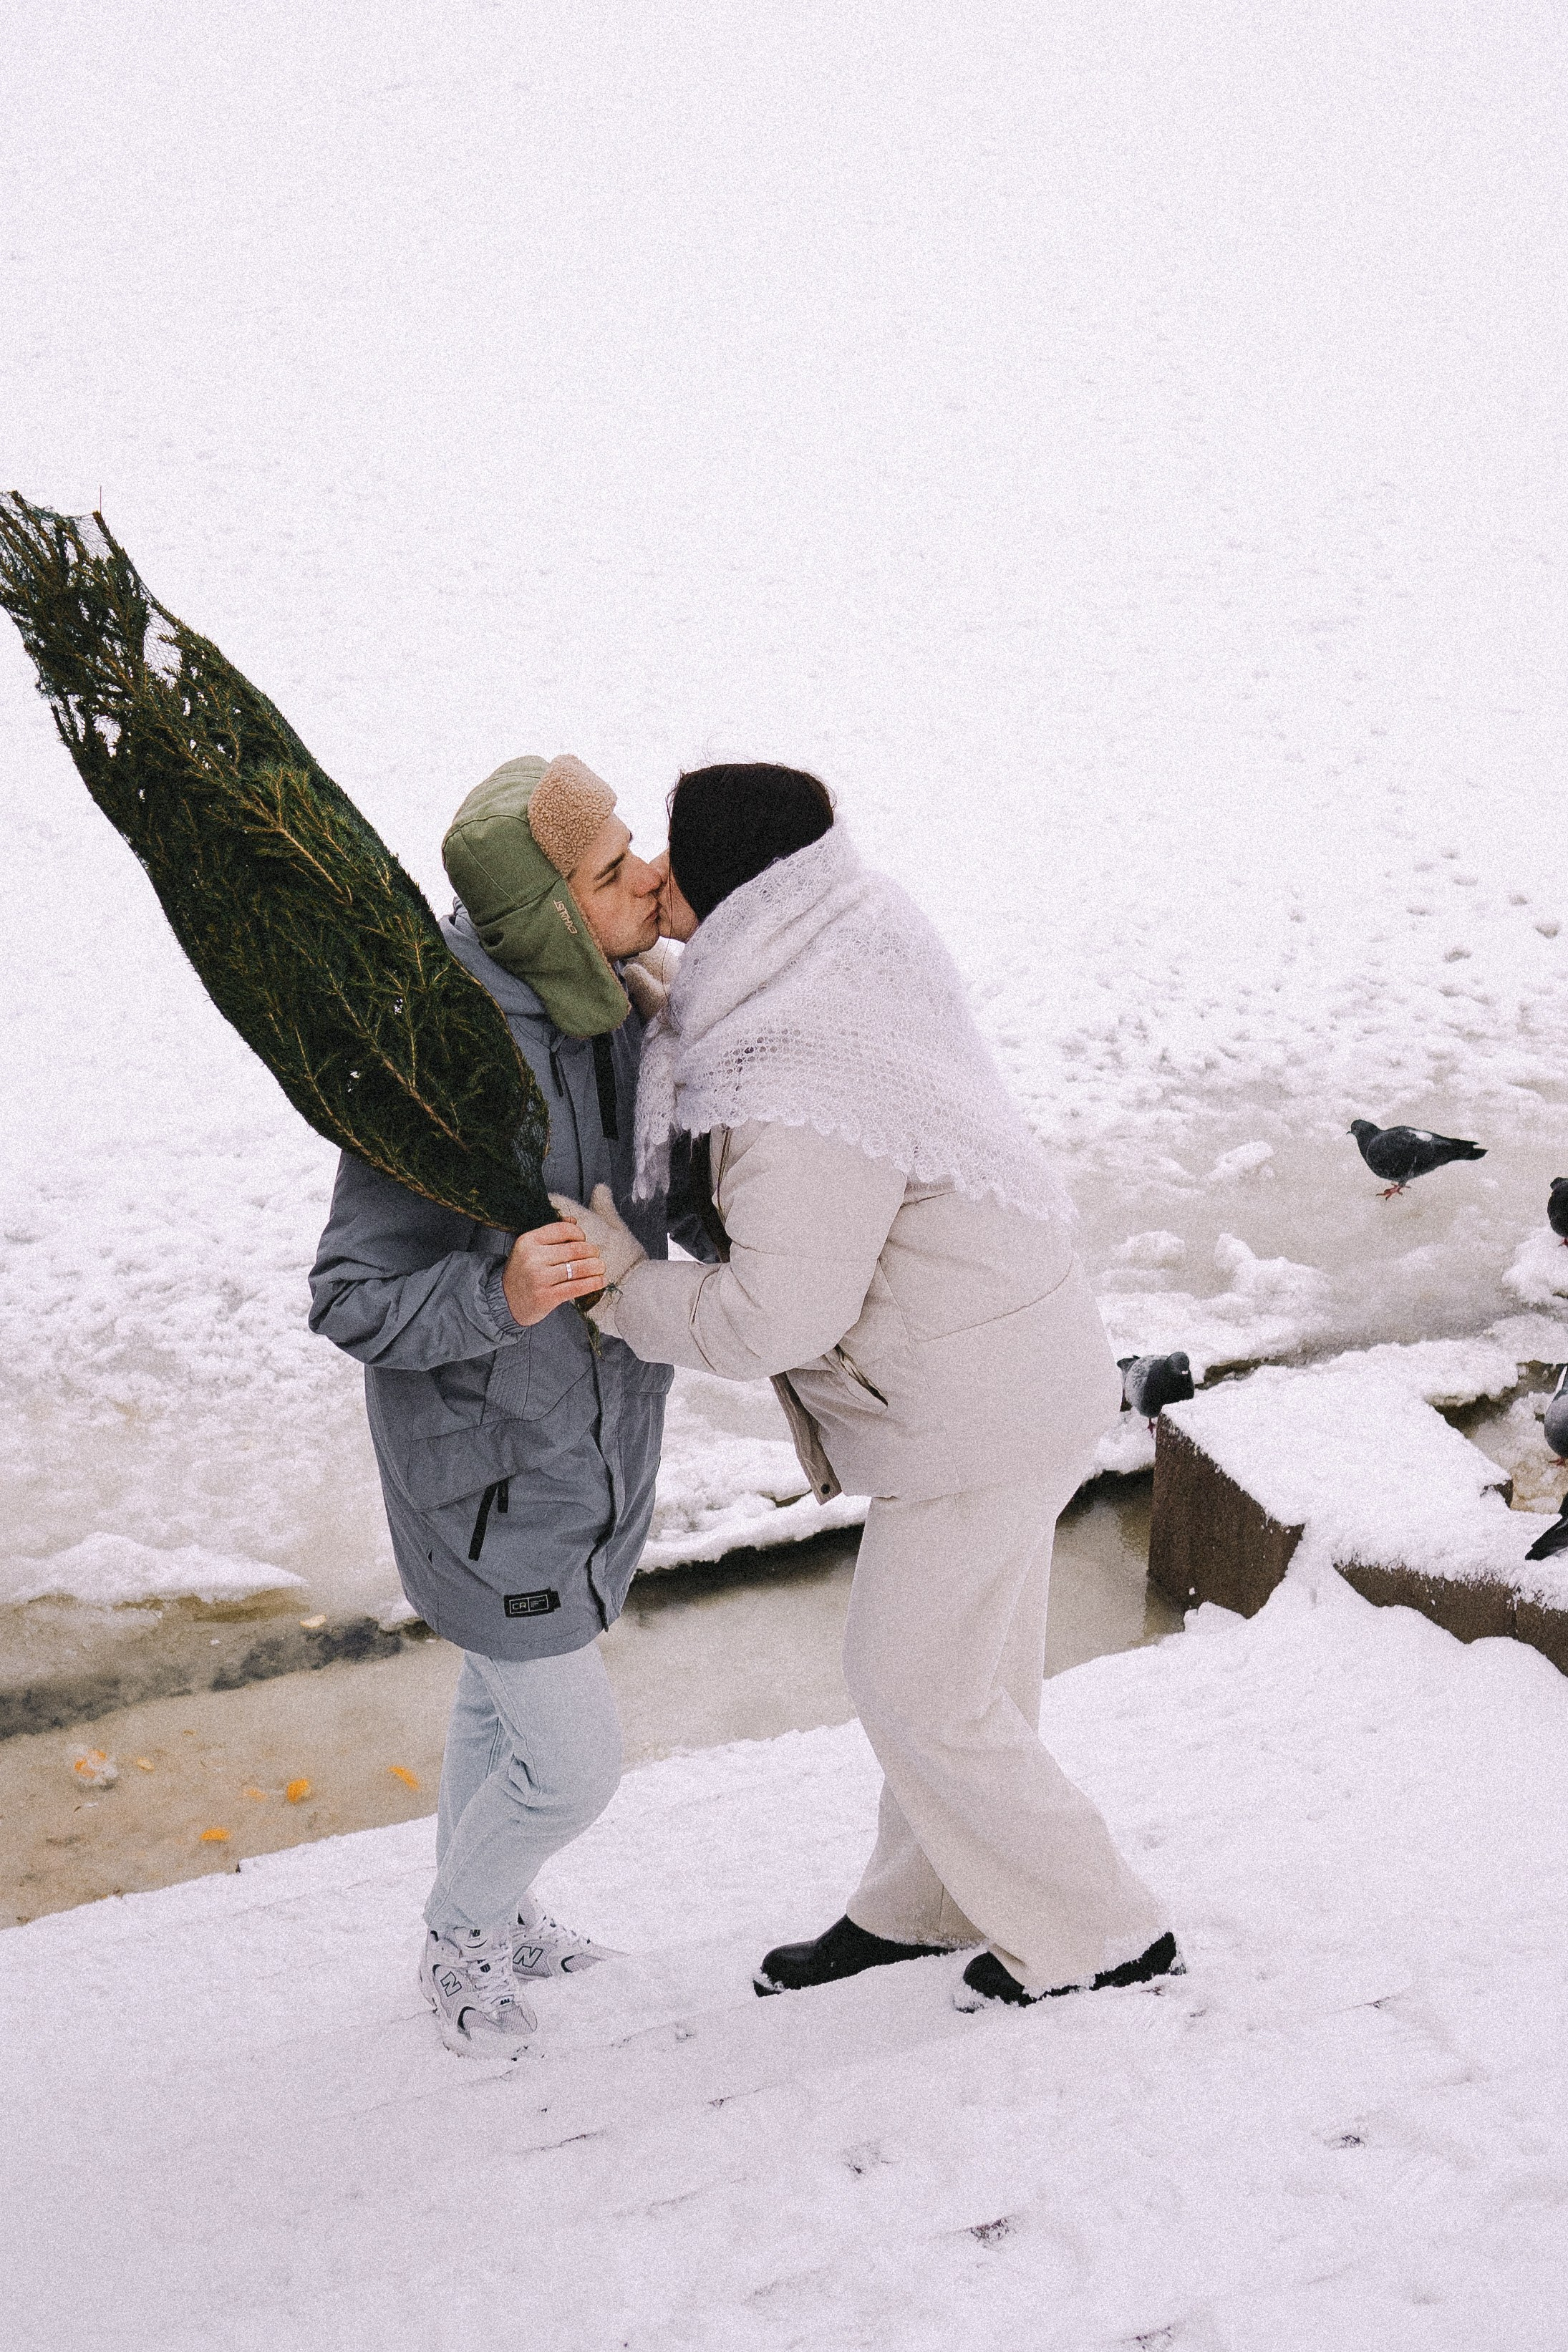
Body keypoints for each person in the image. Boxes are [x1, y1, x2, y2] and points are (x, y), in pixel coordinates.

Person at [557, 763, 1179, 2010]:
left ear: (743, 892)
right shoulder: (846, 931)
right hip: (1007, 1362)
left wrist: (623, 1290)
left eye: (678, 860)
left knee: (912, 1683)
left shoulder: (800, 1088)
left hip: (976, 1409)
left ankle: (1105, 1935)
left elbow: (774, 1312)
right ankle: (926, 1903)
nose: (659, 877)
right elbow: (744, 1018)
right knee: (968, 1676)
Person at [309, 753, 707, 2057]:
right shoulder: (434, 1061)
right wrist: (502, 1289)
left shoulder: (627, 1019)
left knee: (500, 1709)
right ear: (544, 915)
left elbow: (660, 1202)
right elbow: (350, 1294)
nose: (647, 878)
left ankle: (504, 1908)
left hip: (588, 1452)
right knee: (573, 1765)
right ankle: (461, 1932)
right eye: (609, 872)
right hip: (485, 1481)